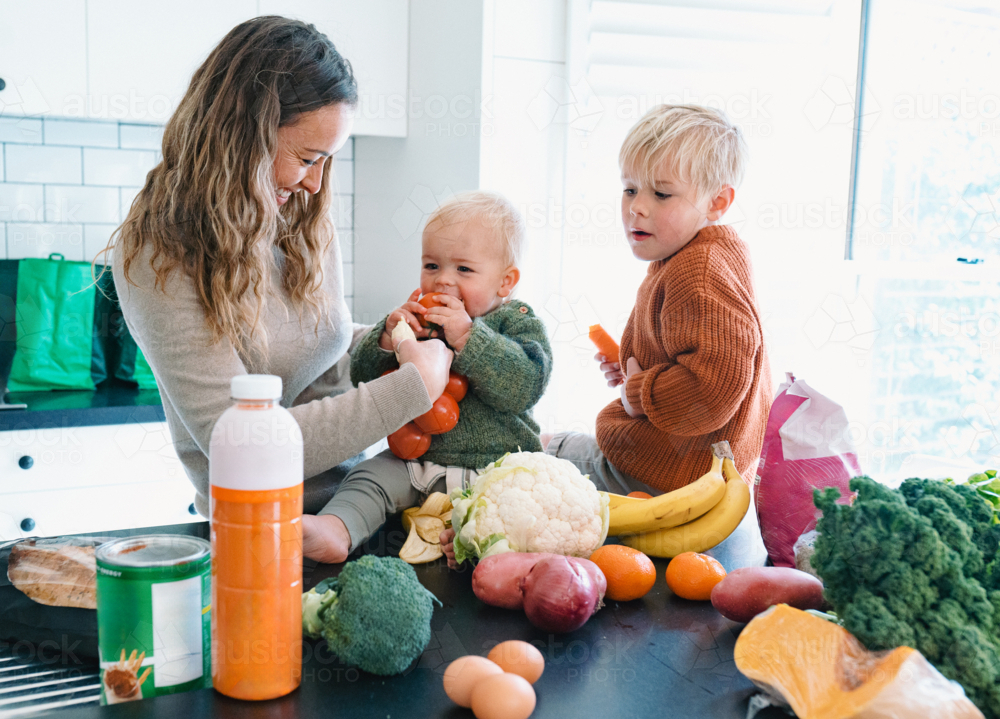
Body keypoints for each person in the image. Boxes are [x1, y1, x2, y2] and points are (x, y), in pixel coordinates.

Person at [109, 16, 453, 560]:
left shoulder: (301, 215)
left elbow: (316, 358)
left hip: (363, 508)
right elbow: (238, 445)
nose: (316, 182)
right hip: (266, 536)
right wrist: (413, 386)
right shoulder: (158, 252)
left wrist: (384, 341)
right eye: (307, 157)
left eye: (326, 160)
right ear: (241, 135)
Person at [536, 105, 772, 569]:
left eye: (662, 194)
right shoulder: (700, 253)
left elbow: (714, 387)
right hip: (686, 461)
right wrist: (632, 367)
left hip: (670, 474)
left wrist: (640, 391)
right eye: (629, 188)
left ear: (717, 202)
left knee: (539, 453)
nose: (636, 206)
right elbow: (688, 349)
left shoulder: (698, 272)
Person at [305, 192, 553, 563]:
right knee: (368, 476)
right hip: (416, 463)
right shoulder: (418, 317)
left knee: (528, 506)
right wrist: (388, 341)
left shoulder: (515, 320)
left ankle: (478, 544)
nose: (443, 282)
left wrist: (472, 339)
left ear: (505, 282)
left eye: (463, 270)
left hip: (493, 468)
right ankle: (337, 529)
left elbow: (526, 385)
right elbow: (363, 378)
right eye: (432, 266)